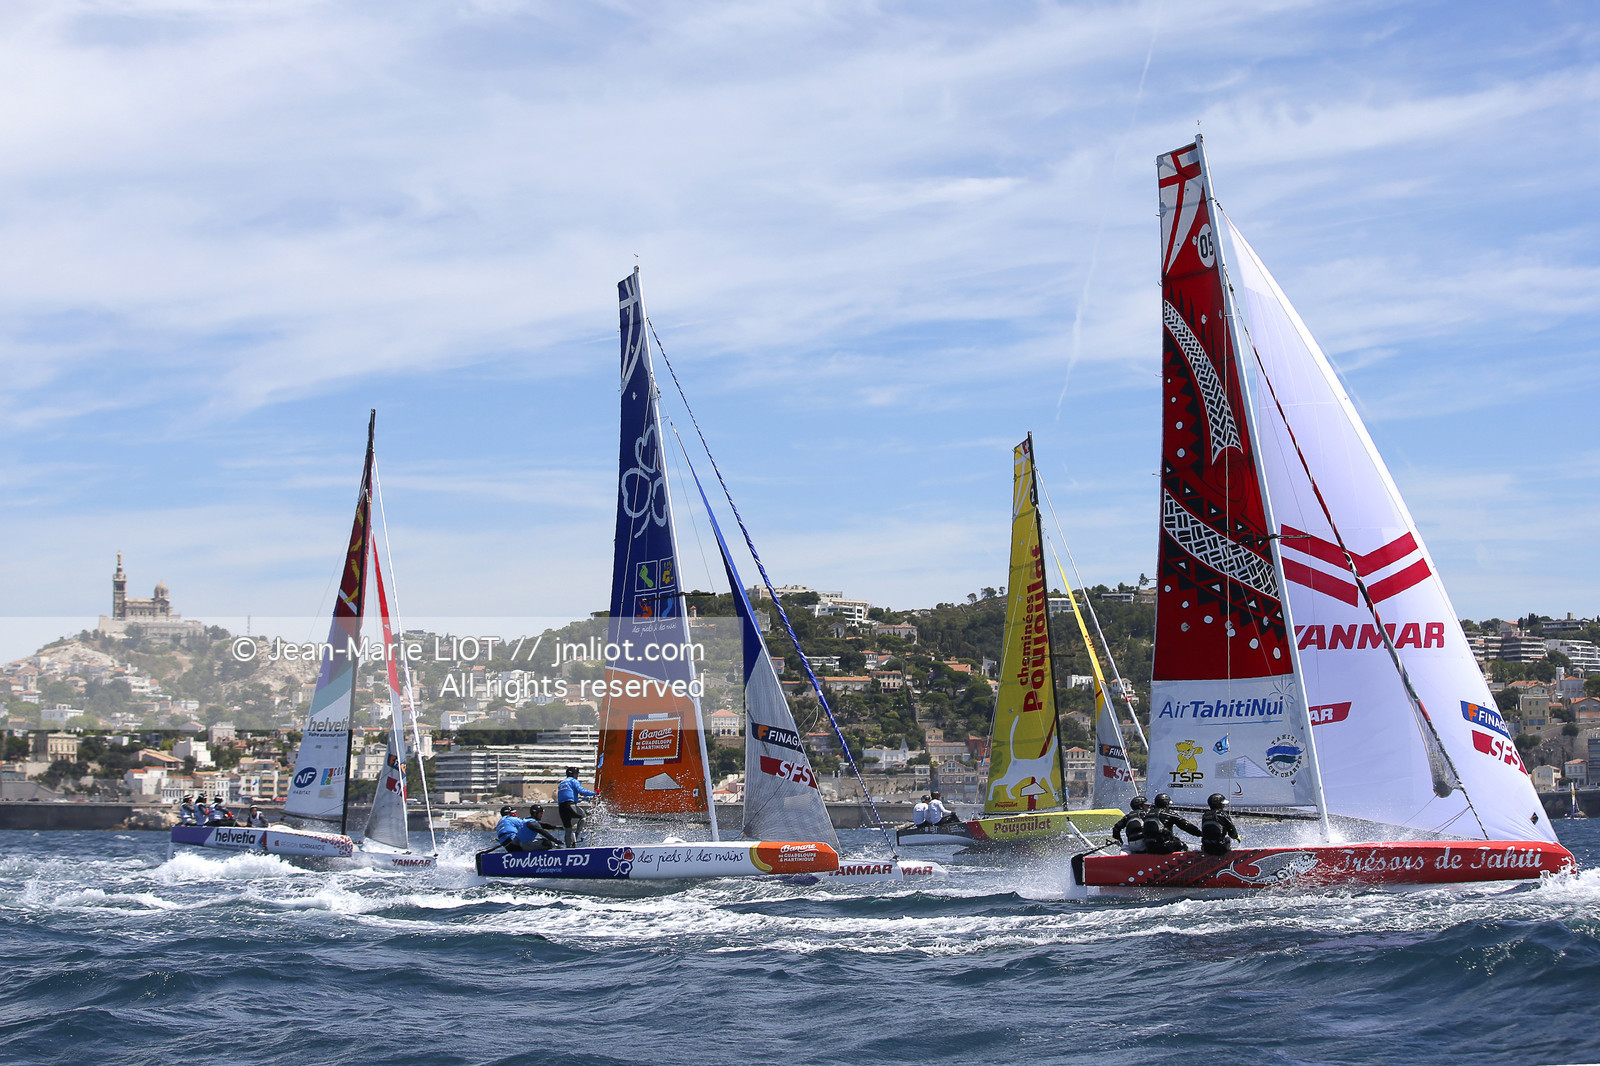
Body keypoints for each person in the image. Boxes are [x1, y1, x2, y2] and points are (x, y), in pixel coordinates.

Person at [557, 767, 597, 848]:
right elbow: (582, 791)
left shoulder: (561, 783)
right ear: (573, 774)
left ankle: (568, 847)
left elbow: (566, 796)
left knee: (568, 829)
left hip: (561, 808)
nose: (577, 775)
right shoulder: (573, 781)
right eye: (577, 773)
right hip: (570, 806)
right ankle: (576, 835)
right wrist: (595, 792)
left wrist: (576, 800)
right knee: (583, 817)